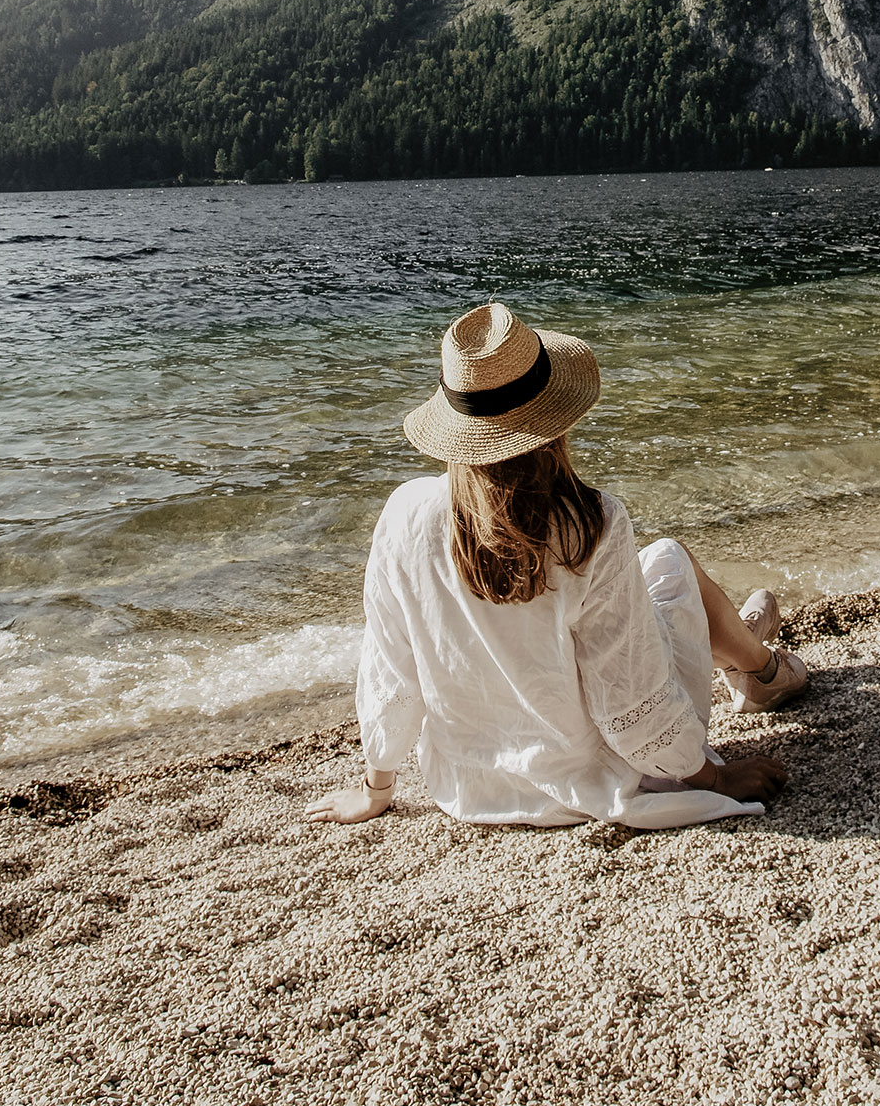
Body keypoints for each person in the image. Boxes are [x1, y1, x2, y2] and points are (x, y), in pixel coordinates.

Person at [306, 303, 807, 831]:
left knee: (647, 588)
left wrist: (375, 789)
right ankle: (761, 669)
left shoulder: (405, 512)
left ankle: (750, 659)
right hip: (591, 777)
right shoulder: (591, 524)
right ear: (555, 420)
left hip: (473, 788)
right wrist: (713, 779)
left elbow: (391, 666)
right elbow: (628, 695)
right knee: (667, 562)